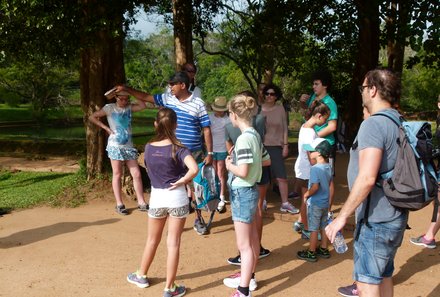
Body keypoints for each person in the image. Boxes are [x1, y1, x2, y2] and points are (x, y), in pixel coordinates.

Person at [326, 69, 408, 297]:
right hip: (395, 215)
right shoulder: (399, 120)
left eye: (363, 88)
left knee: (366, 284)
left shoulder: (373, 125)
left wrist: (341, 217)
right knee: (384, 276)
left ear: (373, 90)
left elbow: (367, 177)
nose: (362, 92)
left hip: (376, 219)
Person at [115, 71, 213, 235]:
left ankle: (199, 219)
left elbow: (206, 129)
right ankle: (173, 218)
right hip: (172, 152)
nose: (170, 87)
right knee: (174, 184)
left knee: (196, 188)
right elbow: (147, 97)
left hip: (193, 152)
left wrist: (209, 152)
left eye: (173, 84)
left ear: (182, 85)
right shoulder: (167, 99)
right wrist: (127, 89)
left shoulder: (198, 104)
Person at [126, 107, 198, 297]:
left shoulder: (149, 147)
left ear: (155, 124)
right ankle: (170, 288)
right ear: (175, 125)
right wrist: (183, 180)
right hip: (177, 199)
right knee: (173, 243)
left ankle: (141, 275)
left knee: (152, 239)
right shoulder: (179, 148)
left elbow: (149, 168)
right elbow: (194, 168)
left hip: (157, 197)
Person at [223, 94, 271, 297]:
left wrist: (229, 165)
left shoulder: (243, 139)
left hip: (243, 191)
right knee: (251, 243)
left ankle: (243, 288)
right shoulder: (255, 136)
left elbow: (242, 171)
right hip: (251, 191)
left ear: (234, 115)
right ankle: (247, 278)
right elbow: (266, 161)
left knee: (244, 246)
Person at [88, 89, 148, 215]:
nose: (124, 101)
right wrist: (106, 129)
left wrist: (130, 93)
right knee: (117, 174)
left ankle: (141, 202)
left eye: (127, 99)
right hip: (115, 145)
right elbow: (92, 117)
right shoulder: (110, 108)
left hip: (129, 146)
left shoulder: (129, 108)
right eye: (122, 99)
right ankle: (119, 204)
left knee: (136, 174)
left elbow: (143, 105)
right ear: (116, 97)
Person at [293, 102, 330, 238]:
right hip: (306, 169)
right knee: (307, 198)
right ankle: (307, 228)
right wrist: (320, 166)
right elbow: (311, 156)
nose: (325, 122)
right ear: (319, 116)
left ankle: (305, 225)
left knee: (306, 197)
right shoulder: (309, 132)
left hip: (305, 168)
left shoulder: (307, 127)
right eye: (325, 119)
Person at [261, 83, 299, 214]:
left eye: (272, 94)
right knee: (262, 176)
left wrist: (286, 145)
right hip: (262, 146)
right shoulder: (258, 109)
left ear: (276, 96)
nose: (269, 96)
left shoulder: (280, 109)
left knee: (281, 176)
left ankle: (285, 202)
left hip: (276, 146)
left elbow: (284, 128)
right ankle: (262, 201)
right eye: (267, 94)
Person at [296, 138, 334, 262]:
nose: (309, 153)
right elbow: (328, 184)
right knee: (323, 226)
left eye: (311, 150)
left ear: (318, 153)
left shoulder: (315, 169)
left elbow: (315, 187)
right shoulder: (328, 167)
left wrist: (306, 194)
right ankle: (323, 248)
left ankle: (311, 251)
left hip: (315, 203)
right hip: (324, 203)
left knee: (313, 228)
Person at [300, 70, 338, 174]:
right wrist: (302, 102)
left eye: (316, 84)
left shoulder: (330, 102)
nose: (313, 86)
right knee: (309, 171)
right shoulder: (313, 97)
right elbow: (309, 113)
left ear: (325, 85)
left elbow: (332, 127)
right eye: (313, 84)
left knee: (325, 175)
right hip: (312, 143)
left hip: (325, 145)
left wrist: (314, 136)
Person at [208, 96, 231, 212]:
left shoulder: (228, 119)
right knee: (213, 173)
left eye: (220, 109)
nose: (218, 111)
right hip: (211, 149)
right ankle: (214, 194)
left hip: (222, 149)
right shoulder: (210, 117)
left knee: (220, 172)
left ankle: (222, 196)